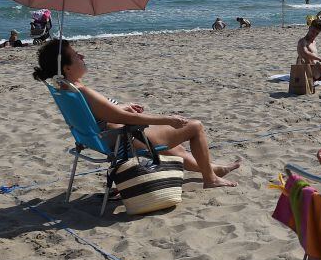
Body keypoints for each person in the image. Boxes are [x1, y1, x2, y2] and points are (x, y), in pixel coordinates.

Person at [33, 39, 239, 187]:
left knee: (177, 150)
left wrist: (121, 105)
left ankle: (212, 169)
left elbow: (102, 112)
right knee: (194, 126)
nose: (82, 56)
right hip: (125, 139)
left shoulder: (65, 89)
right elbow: (128, 119)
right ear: (67, 68)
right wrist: (168, 119)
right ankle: (210, 178)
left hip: (106, 138)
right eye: (76, 55)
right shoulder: (82, 91)